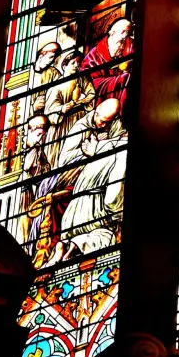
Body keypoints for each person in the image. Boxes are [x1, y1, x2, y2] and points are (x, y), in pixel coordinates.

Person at [58, 97, 128, 256]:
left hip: (94, 182)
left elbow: (120, 142)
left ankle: (68, 247)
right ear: (95, 112)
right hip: (72, 175)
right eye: (100, 120)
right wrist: (87, 152)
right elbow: (64, 161)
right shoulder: (81, 126)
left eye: (106, 122)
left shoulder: (114, 126)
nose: (102, 125)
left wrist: (101, 147)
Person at [41, 49, 95, 167]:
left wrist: (83, 100)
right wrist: (62, 109)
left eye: (78, 63)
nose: (76, 66)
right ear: (64, 66)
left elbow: (92, 94)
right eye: (73, 63)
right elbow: (49, 111)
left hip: (79, 120)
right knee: (58, 158)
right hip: (61, 126)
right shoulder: (55, 87)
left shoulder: (82, 79)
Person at [81, 17, 133, 107]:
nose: (125, 36)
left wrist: (126, 69)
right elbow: (90, 82)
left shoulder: (130, 45)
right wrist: (119, 79)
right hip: (104, 99)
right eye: (123, 32)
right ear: (112, 33)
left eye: (128, 32)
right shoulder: (93, 56)